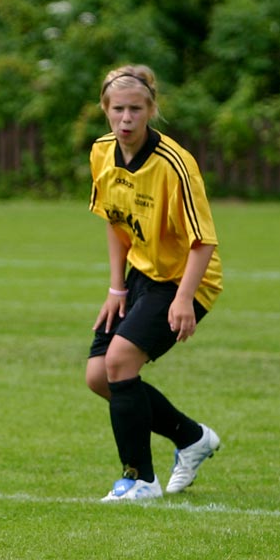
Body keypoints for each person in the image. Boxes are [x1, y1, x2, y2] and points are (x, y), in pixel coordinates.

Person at [84, 64, 224, 501]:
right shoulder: (102, 153)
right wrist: (116, 288)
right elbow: (113, 222)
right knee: (98, 376)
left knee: (120, 362)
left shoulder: (175, 164)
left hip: (188, 278)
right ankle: (191, 437)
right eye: (118, 109)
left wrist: (184, 300)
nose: (126, 119)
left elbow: (203, 241)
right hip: (142, 273)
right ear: (105, 110)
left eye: (136, 109)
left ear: (151, 110)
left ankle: (139, 479)